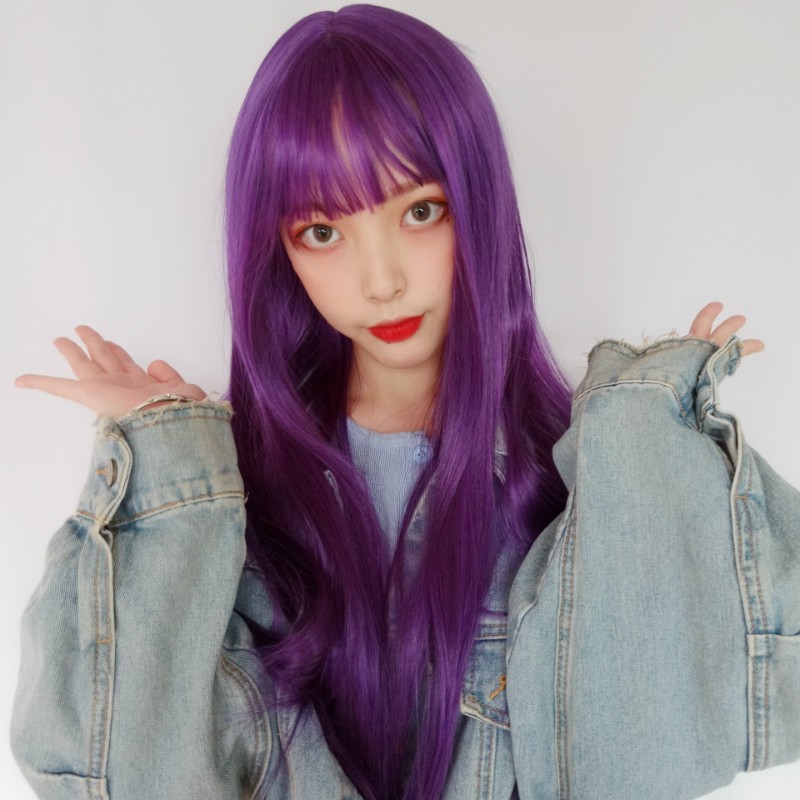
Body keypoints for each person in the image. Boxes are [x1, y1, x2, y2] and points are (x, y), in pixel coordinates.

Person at [10, 5, 797, 800]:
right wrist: (167, 481)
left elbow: (651, 761)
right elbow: (131, 775)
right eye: (322, 231)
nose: (380, 280)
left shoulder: (578, 485)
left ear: (478, 205)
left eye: (420, 210)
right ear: (276, 251)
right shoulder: (238, 507)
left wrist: (651, 443)